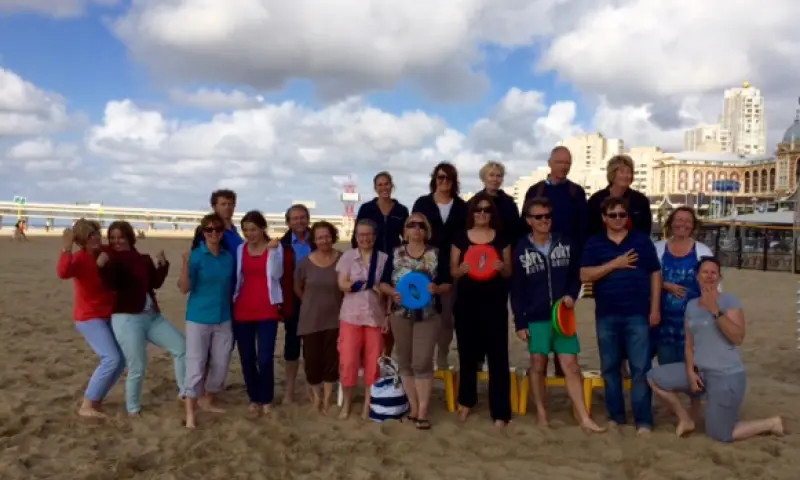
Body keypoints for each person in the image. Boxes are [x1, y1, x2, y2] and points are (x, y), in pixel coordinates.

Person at [648, 257, 784, 441]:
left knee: (720, 435)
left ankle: (770, 423)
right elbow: (689, 344)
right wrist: (690, 371)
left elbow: (738, 338)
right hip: (700, 373)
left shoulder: (730, 302)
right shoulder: (691, 306)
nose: (709, 276)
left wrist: (715, 310)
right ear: (697, 276)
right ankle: (685, 418)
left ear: (719, 277)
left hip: (725, 375)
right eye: (705, 272)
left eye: (714, 272)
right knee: (654, 377)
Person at [511, 198, 603, 432]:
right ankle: (542, 414)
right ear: (529, 220)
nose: (544, 221)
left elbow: (575, 276)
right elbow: (517, 288)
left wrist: (572, 294)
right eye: (539, 217)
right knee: (538, 364)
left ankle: (584, 417)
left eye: (547, 216)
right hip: (536, 316)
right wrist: (520, 322)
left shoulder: (565, 242)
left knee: (571, 365)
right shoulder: (521, 248)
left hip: (563, 315)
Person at [580, 197, 662, 435]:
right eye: (613, 215)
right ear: (604, 218)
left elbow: (655, 275)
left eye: (622, 215)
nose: (618, 219)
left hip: (637, 313)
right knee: (610, 368)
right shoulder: (595, 243)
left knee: (640, 368)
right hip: (607, 314)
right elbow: (585, 274)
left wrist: (655, 308)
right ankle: (616, 416)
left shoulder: (641, 241)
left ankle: (643, 420)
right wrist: (614, 264)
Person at [98, 221, 186, 416]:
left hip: (152, 317)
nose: (117, 241)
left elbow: (155, 283)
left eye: (120, 237)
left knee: (182, 347)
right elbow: (110, 284)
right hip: (127, 319)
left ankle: (185, 392)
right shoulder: (112, 261)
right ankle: (133, 408)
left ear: (129, 237)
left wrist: (162, 263)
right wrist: (102, 266)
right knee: (137, 365)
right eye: (112, 238)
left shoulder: (143, 259)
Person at [379, 212, 452, 430]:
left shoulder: (436, 254)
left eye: (421, 225)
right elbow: (382, 283)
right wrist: (392, 292)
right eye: (412, 225)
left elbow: (448, 283)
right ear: (405, 230)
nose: (417, 228)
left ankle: (423, 411)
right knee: (405, 361)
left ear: (426, 230)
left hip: (428, 315)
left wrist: (437, 288)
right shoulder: (394, 253)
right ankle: (413, 408)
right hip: (400, 315)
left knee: (422, 361)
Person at [522, 146, 588, 377]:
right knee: (539, 314)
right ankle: (540, 371)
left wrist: (578, 259)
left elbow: (583, 229)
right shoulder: (536, 190)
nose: (564, 167)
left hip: (566, 262)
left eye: (568, 163)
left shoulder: (575, 192)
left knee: (564, 313)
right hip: (538, 258)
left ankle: (562, 369)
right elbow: (525, 225)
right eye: (560, 162)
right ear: (550, 163)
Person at [450, 192, 513, 427]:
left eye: (487, 210)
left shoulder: (501, 238)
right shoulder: (460, 238)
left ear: (492, 214)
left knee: (498, 356)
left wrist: (501, 267)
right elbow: (453, 271)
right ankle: (467, 401)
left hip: (494, 302)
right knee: (467, 354)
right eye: (478, 210)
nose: (482, 214)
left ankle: (500, 411)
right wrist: (462, 269)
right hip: (467, 302)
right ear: (472, 213)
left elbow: (508, 272)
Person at [56, 219, 122, 418]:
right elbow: (63, 272)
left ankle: (96, 398)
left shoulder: (105, 252)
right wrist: (66, 248)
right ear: (81, 241)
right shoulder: (79, 258)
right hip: (88, 317)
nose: (94, 238)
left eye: (95, 233)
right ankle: (87, 404)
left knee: (121, 360)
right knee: (111, 358)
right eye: (89, 236)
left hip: (109, 314)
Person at [179, 213, 236, 428]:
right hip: (198, 318)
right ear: (203, 233)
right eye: (208, 230)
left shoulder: (228, 257)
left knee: (221, 364)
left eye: (217, 230)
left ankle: (207, 399)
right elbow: (184, 287)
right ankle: (191, 413)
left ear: (222, 233)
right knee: (196, 364)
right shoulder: (195, 255)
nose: (213, 233)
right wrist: (185, 264)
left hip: (223, 317)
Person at [412, 162, 468, 368]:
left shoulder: (462, 207)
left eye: (448, 178)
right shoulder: (422, 203)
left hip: (451, 267)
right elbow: (413, 232)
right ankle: (423, 358)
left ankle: (442, 356)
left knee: (446, 316)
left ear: (454, 181)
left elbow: (466, 238)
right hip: (424, 265)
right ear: (434, 179)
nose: (444, 181)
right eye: (440, 177)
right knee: (422, 314)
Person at [231, 211, 286, 413]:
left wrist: (273, 251)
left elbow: (277, 274)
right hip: (243, 309)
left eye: (253, 229)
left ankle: (267, 397)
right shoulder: (240, 249)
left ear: (262, 228)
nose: (250, 234)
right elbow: (238, 277)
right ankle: (254, 396)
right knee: (247, 357)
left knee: (265, 357)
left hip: (267, 309)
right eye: (246, 230)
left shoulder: (275, 247)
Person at [336, 219, 390, 419]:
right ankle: (347, 403)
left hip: (375, 317)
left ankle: (368, 403)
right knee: (348, 361)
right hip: (351, 316)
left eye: (369, 234)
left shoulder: (384, 259)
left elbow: (386, 290)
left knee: (373, 362)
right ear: (356, 237)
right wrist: (369, 284)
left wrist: (387, 316)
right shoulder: (348, 257)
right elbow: (343, 284)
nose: (365, 238)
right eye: (361, 235)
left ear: (374, 237)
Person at [351, 171, 409, 357]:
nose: (384, 188)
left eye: (387, 184)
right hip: (371, 262)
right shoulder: (367, 208)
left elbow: (405, 238)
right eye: (380, 185)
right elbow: (356, 237)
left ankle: (386, 357)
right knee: (370, 309)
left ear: (392, 185)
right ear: (375, 188)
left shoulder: (401, 210)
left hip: (393, 265)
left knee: (389, 312)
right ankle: (369, 355)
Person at [652, 207, 714, 366]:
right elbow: (645, 278)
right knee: (667, 367)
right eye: (679, 220)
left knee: (693, 370)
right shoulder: (658, 248)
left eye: (688, 221)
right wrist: (664, 285)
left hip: (693, 323)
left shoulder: (702, 251)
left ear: (693, 226)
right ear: (671, 223)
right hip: (664, 323)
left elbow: (713, 285)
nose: (683, 224)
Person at [295, 221, 344, 412]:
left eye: (327, 236)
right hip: (310, 319)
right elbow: (297, 287)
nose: (324, 240)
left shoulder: (342, 259)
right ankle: (316, 397)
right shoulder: (305, 263)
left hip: (335, 318)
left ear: (332, 237)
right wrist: (309, 301)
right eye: (320, 237)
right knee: (312, 360)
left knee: (331, 360)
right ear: (314, 240)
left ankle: (327, 398)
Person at [278, 204, 311, 403]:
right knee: (292, 346)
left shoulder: (317, 241)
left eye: (302, 217)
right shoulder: (282, 245)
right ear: (288, 222)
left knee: (312, 347)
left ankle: (310, 388)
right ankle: (289, 390)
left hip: (315, 300)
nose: (299, 221)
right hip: (292, 300)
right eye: (295, 218)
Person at [587, 155, 652, 237]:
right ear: (612, 174)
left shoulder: (640, 201)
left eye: (629, 172)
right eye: (622, 172)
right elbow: (590, 230)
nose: (626, 176)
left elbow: (645, 232)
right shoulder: (596, 200)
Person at [479, 161, 524, 244]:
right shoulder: (475, 202)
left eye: (498, 176)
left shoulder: (509, 202)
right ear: (483, 178)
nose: (495, 179)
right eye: (491, 175)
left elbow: (516, 228)